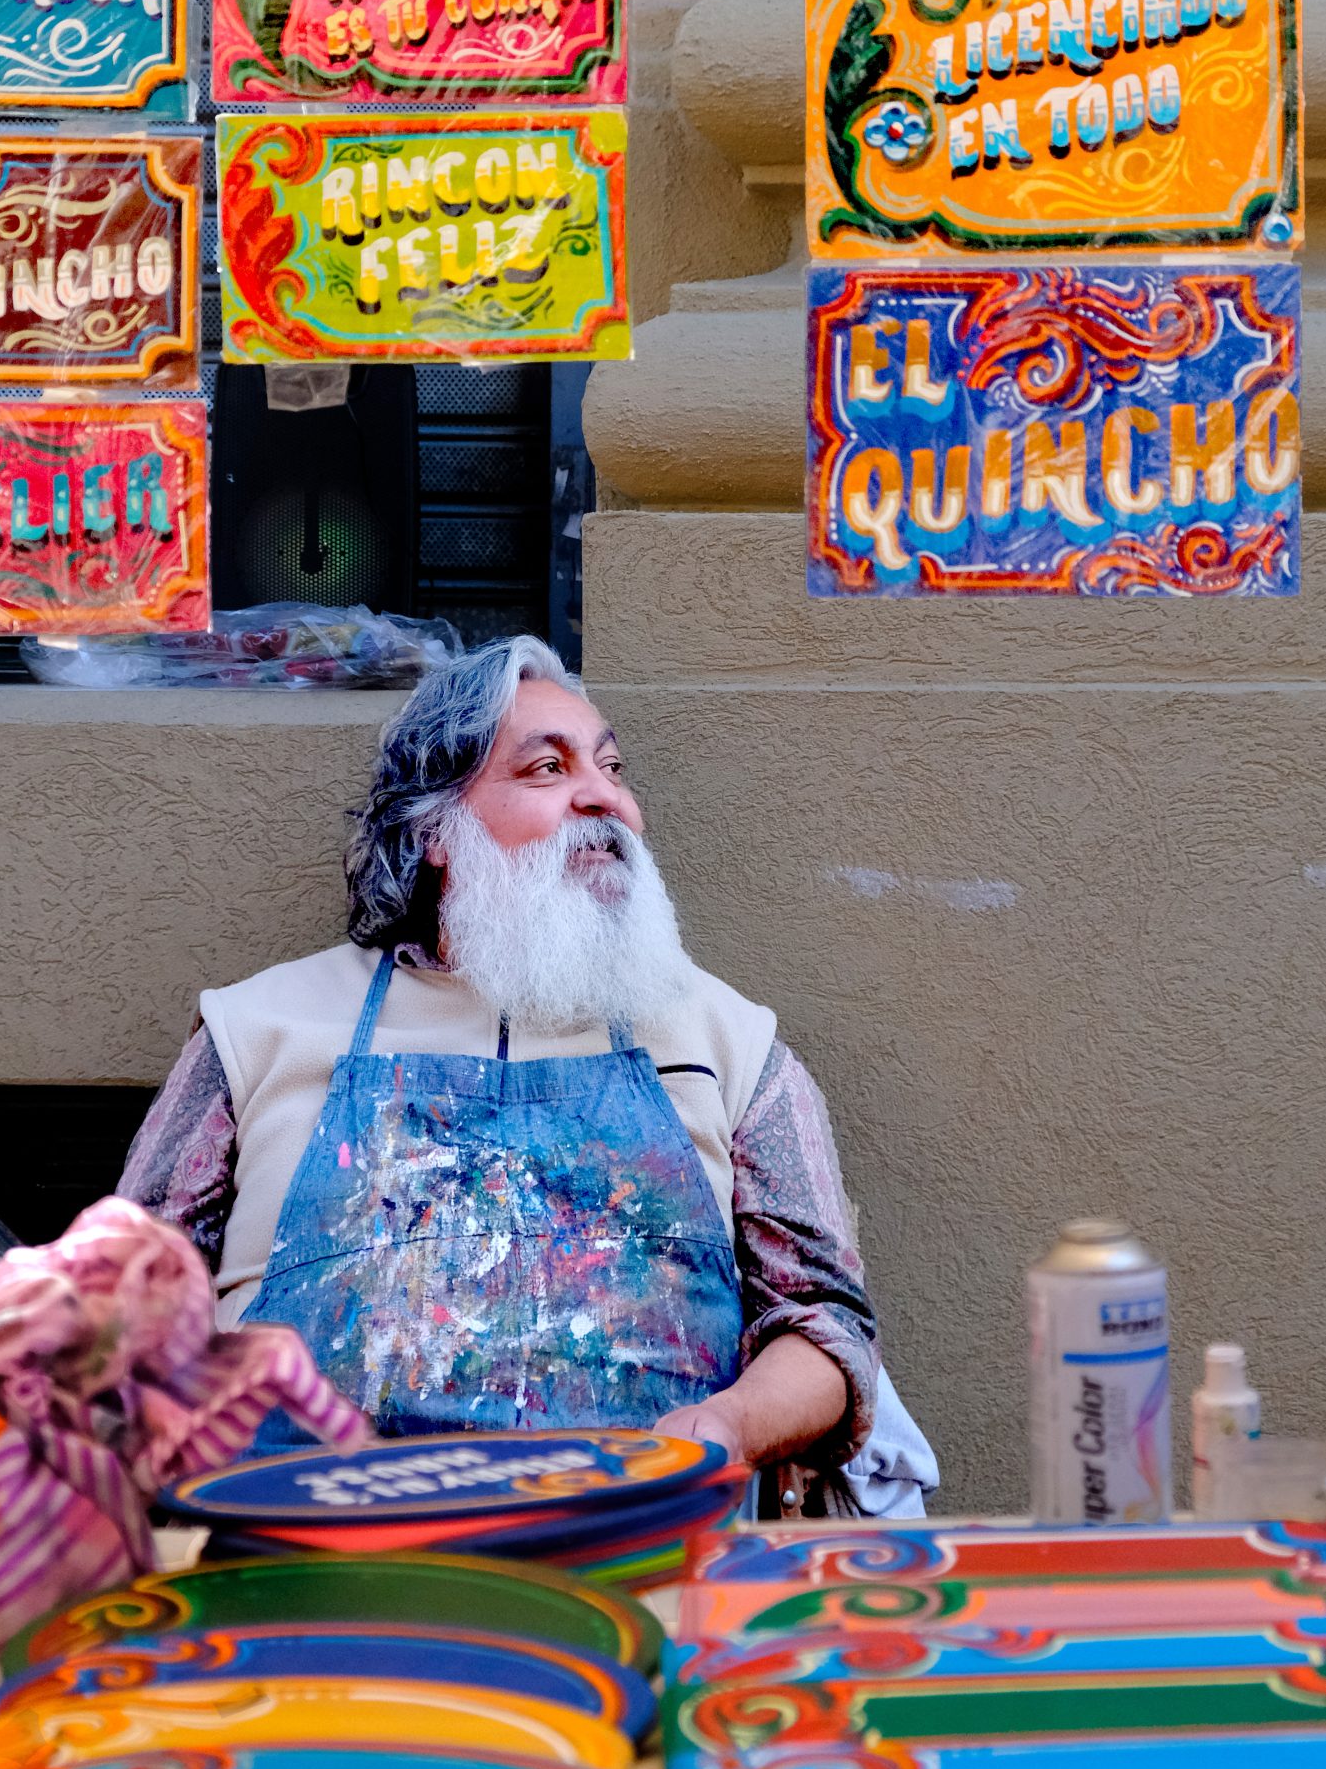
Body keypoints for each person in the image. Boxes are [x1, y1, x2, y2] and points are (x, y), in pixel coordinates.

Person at [120, 636, 936, 1514]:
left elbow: (826, 1323)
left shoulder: (728, 1038)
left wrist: (728, 1428)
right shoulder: (257, 1029)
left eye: (612, 769)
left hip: (643, 1538)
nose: (603, 797)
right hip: (310, 1550)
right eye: (548, 768)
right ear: (435, 832)